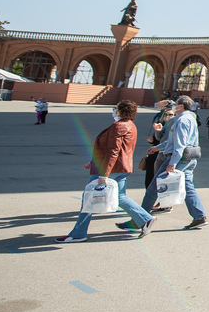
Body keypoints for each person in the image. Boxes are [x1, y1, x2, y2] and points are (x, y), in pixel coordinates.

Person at [55, 101, 155, 242]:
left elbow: (113, 151)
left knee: (88, 198)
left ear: (122, 111)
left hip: (109, 169)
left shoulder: (118, 126)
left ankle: (78, 233)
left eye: (116, 108)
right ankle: (146, 219)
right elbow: (118, 150)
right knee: (119, 197)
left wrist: (103, 174)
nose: (114, 110)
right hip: (122, 167)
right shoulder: (130, 125)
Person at [142, 95, 207, 230]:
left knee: (154, 187)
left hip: (179, 158)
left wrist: (172, 163)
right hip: (190, 158)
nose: (173, 106)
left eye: (175, 104)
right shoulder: (189, 118)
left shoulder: (181, 121)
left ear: (181, 106)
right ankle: (199, 216)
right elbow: (172, 141)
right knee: (188, 188)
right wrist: (157, 147)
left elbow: (179, 145)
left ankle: (140, 218)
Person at [141, 101, 174, 209]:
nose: (168, 116)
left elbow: (168, 142)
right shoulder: (162, 124)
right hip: (154, 155)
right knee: (150, 179)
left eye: (171, 114)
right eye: (166, 114)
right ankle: (158, 202)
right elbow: (158, 139)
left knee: (162, 180)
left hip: (164, 155)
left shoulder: (175, 125)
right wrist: (153, 137)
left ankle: (165, 203)